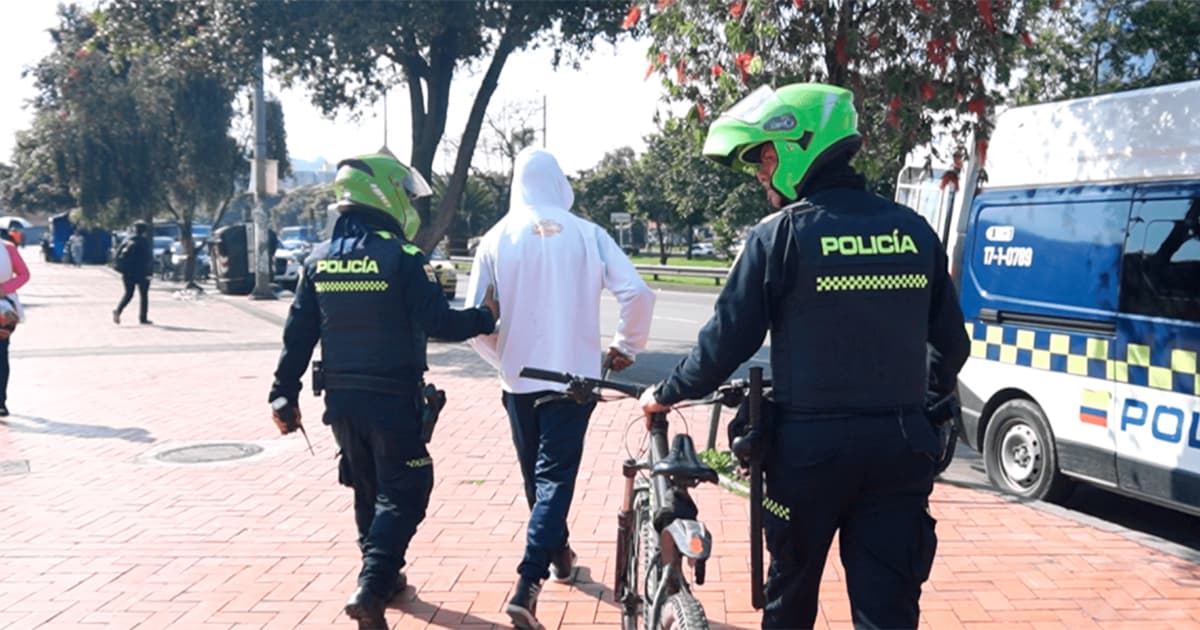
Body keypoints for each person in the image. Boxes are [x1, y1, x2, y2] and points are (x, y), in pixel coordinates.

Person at [639, 83, 970, 629]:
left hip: (808, 456)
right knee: (888, 612)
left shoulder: (781, 235)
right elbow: (952, 346)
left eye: (764, 157)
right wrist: (914, 408)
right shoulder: (914, 231)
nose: (759, 173)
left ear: (801, 146)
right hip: (899, 449)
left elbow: (724, 343)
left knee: (789, 603)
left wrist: (666, 392)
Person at [267, 152, 499, 630]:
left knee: (366, 484)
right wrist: (486, 316)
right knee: (409, 487)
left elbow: (298, 334)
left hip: (341, 401)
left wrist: (282, 395)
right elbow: (439, 322)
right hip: (393, 397)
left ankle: (387, 580)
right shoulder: (403, 257)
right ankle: (371, 590)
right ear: (387, 195)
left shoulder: (318, 260)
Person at [466, 147, 655, 630]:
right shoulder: (588, 234)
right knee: (552, 480)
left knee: (539, 479)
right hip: (574, 381)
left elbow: (474, 321)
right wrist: (623, 347)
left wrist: (504, 357)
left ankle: (536, 575)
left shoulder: (494, 238)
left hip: (521, 382)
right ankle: (545, 568)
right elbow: (637, 292)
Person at [0, 228, 30, 417]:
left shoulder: (8, 249)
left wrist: (4, 288)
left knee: (1, 354)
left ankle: (1, 400)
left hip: (3, 310)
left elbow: (24, 274)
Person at [113, 222, 154, 325]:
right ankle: (143, 318)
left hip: (127, 272)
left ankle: (118, 310)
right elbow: (148, 258)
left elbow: (117, 255)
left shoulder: (127, 241)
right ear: (144, 231)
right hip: (142, 272)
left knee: (128, 294)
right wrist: (150, 272)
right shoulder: (145, 242)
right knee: (144, 295)